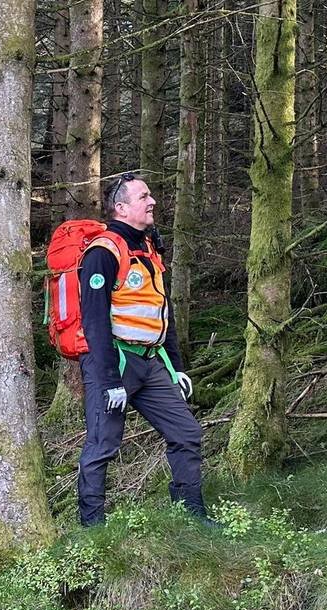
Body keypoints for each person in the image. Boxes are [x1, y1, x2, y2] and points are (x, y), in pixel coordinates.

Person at [76, 173, 209, 527]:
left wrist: (176, 366)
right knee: (102, 445)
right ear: (121, 208)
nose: (152, 202)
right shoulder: (103, 252)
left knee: (186, 434)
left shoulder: (150, 250)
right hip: (114, 361)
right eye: (143, 197)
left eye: (150, 195)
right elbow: (94, 322)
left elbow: (163, 311)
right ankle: (93, 531)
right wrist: (108, 380)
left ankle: (191, 516)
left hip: (151, 362)